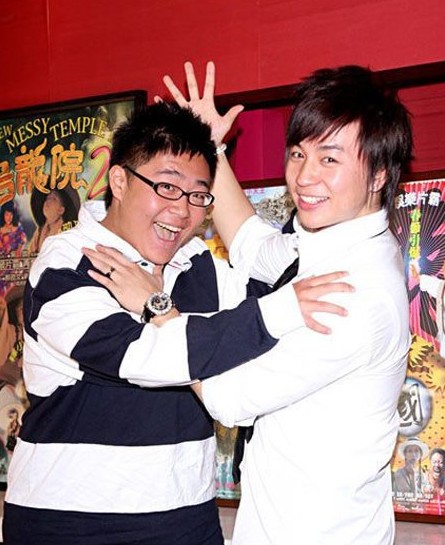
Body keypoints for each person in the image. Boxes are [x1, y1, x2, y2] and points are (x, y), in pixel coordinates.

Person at [3, 102, 351, 545]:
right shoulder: (68, 263)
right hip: (70, 524)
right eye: (167, 187)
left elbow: (286, 272)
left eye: (197, 195)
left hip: (187, 519)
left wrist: (226, 155)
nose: (182, 211)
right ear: (119, 181)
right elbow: (143, 356)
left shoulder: (196, 262)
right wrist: (279, 310)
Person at [153, 61, 413, 545]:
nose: (304, 176)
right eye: (298, 153)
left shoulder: (355, 294)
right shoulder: (332, 246)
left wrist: (158, 309)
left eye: (329, 159)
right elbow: (252, 245)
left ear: (378, 173)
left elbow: (230, 397)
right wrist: (211, 145)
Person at [28, 185, 80, 254]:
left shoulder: (65, 231)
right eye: (47, 198)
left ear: (61, 210)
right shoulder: (40, 231)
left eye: (54, 199)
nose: (48, 201)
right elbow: (31, 253)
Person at [393, 436, 429, 501]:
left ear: (420, 454)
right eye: (410, 451)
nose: (413, 455)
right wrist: (412, 475)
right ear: (405, 454)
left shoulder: (422, 475)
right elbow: (410, 499)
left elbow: (425, 496)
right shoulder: (399, 473)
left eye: (416, 451)